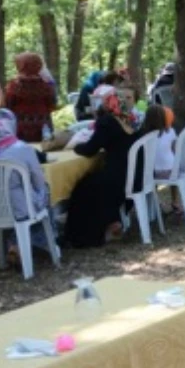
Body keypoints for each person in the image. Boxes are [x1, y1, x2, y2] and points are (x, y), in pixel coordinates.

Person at [0, 109, 54, 261]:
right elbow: (38, 181)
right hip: (20, 209)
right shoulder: (22, 148)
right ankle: (41, 244)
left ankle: (11, 245)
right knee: (46, 193)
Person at [63, 86, 140, 247]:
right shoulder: (129, 120)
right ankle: (113, 222)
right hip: (134, 176)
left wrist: (76, 147)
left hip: (119, 179)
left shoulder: (108, 122)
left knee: (81, 188)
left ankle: (83, 237)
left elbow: (90, 149)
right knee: (92, 180)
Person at [4, 52, 57, 143]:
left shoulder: (14, 85)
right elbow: (52, 104)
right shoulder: (47, 85)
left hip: (21, 131)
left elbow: (8, 106)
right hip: (43, 130)